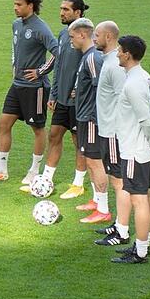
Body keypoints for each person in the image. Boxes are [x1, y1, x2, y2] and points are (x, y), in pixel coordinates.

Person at [0, 0, 59, 184]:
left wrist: (40, 71)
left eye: (19, 4)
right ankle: (1, 170)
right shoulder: (17, 24)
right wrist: (15, 65)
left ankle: (34, 171)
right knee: (4, 123)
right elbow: (16, 49)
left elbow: (59, 52)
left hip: (36, 88)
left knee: (38, 129)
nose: (15, 7)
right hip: (17, 85)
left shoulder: (40, 28)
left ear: (30, 5)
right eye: (14, 3)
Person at [111, 35, 150, 263]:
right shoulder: (144, 78)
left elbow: (145, 119)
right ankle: (142, 243)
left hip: (135, 150)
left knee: (139, 199)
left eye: (119, 50)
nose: (117, 53)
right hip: (141, 149)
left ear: (127, 54)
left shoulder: (134, 83)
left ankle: (141, 252)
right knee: (145, 196)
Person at [33, 0, 89, 198]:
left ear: (78, 13)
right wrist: (54, 94)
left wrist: (79, 90)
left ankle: (78, 183)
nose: (61, 13)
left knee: (78, 141)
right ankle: (46, 179)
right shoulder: (64, 34)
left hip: (78, 102)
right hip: (62, 100)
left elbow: (87, 70)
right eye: (61, 9)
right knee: (54, 135)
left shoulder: (85, 38)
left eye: (66, 9)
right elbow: (59, 65)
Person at [65, 18, 111, 224]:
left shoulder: (93, 58)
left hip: (91, 118)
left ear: (83, 35)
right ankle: (96, 200)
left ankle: (103, 209)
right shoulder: (86, 57)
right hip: (84, 116)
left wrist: (93, 115)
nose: (70, 41)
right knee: (90, 161)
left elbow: (101, 87)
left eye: (72, 37)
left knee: (95, 161)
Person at [92, 22, 132, 246]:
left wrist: (117, 132)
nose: (94, 38)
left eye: (97, 35)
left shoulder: (114, 67)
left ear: (108, 36)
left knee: (119, 182)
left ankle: (123, 232)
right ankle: (118, 223)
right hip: (107, 131)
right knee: (115, 179)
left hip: (114, 133)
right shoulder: (108, 61)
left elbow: (123, 100)